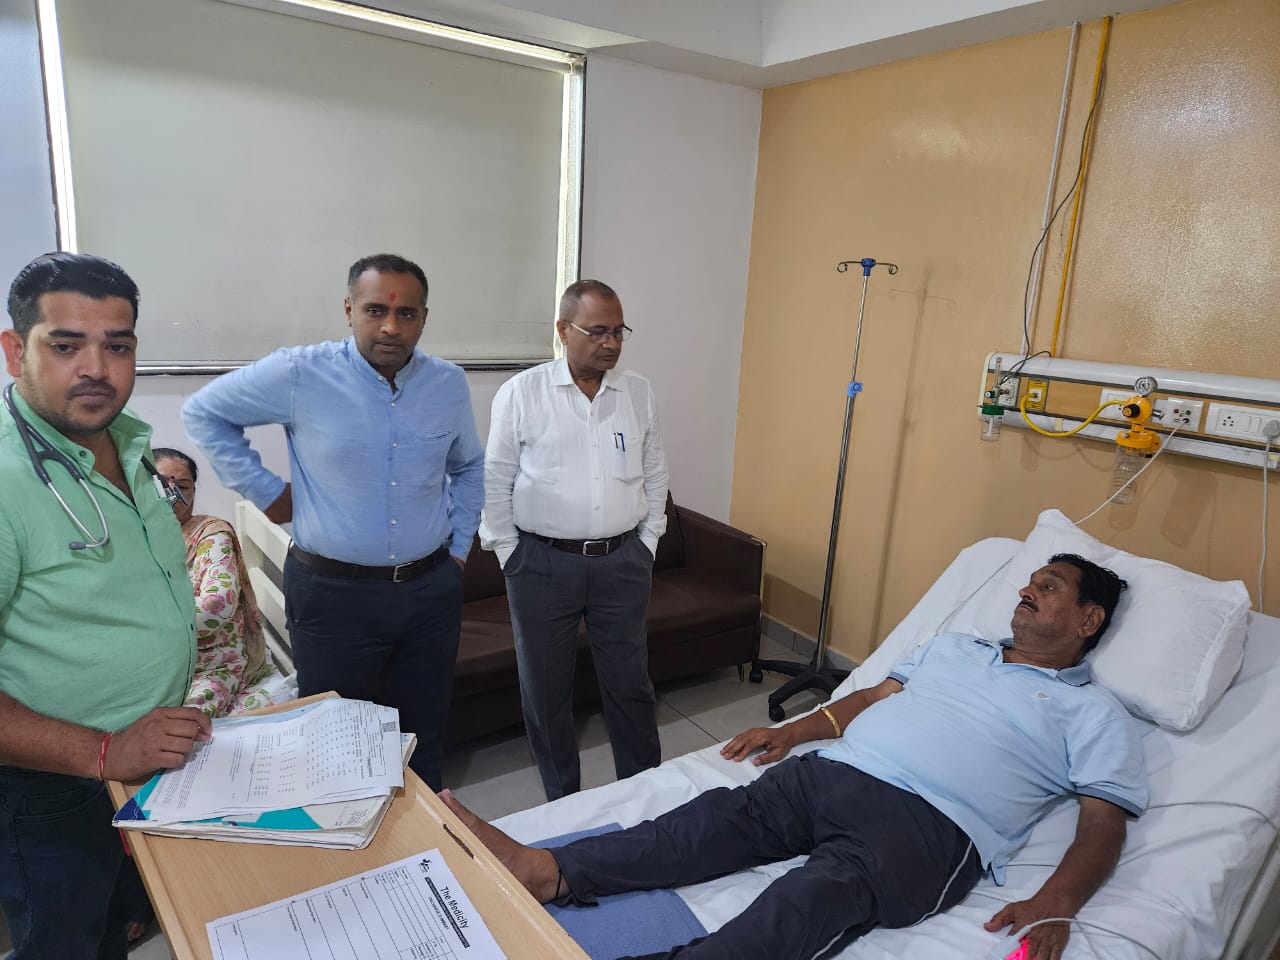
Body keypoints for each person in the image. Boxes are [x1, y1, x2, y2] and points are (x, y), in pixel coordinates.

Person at [442, 554, 1148, 960]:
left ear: (1088, 620)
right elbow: (873, 694)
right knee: (704, 824)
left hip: (927, 828)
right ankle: (547, 870)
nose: (1026, 590)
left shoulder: (1095, 714)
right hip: (832, 775)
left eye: (1048, 587)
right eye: (1030, 580)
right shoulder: (956, 648)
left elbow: (1102, 822)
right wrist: (799, 731)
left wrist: (1056, 902)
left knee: (806, 902)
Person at [182, 253, 483, 790]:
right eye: (375, 310)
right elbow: (204, 413)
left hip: (429, 594)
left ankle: (426, 837)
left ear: (423, 318)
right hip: (334, 597)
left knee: (423, 737)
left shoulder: (447, 384)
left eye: (407, 314)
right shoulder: (301, 373)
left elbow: (468, 467)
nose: (390, 326)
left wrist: (459, 549)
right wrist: (269, 493)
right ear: (349, 310)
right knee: (337, 746)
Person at [0, 252, 211, 960]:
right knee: (62, 943)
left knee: (115, 929)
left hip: (146, 765)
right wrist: (103, 751)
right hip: (51, 788)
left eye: (116, 347)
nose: (97, 368)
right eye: (65, 346)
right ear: (14, 351)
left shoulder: (129, 442)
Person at [479, 279, 668, 801]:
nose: (611, 343)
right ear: (564, 330)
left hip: (622, 562)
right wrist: (509, 552)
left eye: (619, 332)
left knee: (630, 683)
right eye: (598, 331)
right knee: (545, 690)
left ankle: (646, 795)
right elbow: (495, 478)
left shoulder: (638, 392)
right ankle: (563, 800)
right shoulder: (523, 392)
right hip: (542, 565)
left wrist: (649, 540)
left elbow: (655, 470)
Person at [152, 447, 284, 717]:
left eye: (183, 487)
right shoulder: (125, 539)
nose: (172, 497)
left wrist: (141, 628)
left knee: (179, 722)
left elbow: (216, 607)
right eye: (161, 485)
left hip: (210, 662)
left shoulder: (211, 535)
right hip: (148, 662)